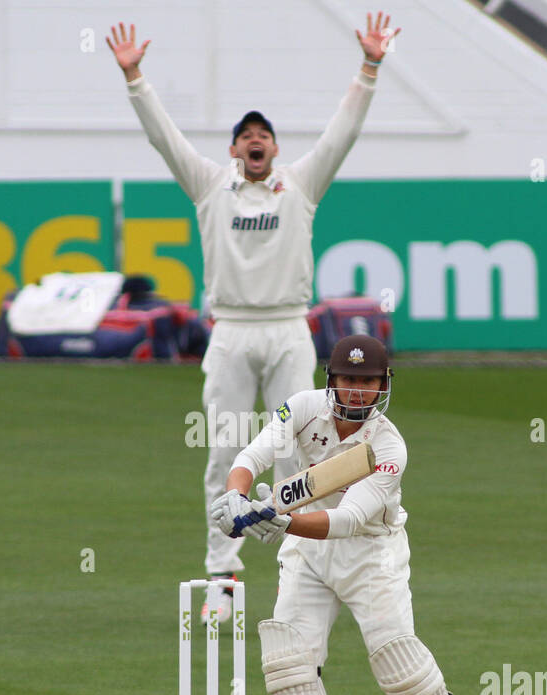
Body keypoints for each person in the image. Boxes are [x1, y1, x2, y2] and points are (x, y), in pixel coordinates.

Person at [107, 14, 397, 620]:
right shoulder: (211, 185)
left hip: (290, 328)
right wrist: (135, 76)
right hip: (232, 332)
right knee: (227, 450)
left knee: (304, 453)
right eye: (245, 136)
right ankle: (223, 576)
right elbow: (165, 138)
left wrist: (370, 67)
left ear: (275, 147)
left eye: (263, 134)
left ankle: (302, 566)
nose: (255, 141)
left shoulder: (302, 185)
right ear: (235, 149)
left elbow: (342, 133)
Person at [209, 335, 490, 695]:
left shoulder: (388, 445)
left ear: (382, 385)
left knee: (399, 663)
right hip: (306, 554)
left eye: (368, 382)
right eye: (349, 380)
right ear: (331, 381)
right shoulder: (301, 408)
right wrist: (236, 498)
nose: (358, 390)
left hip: (370, 555)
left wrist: (279, 521)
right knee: (289, 662)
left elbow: (348, 521)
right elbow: (252, 456)